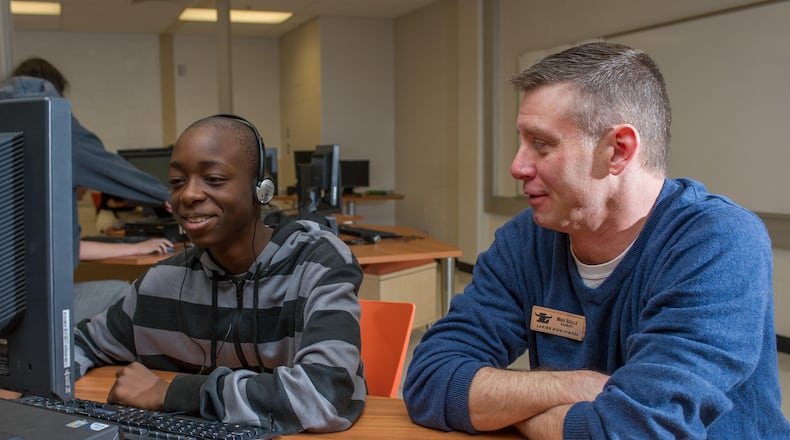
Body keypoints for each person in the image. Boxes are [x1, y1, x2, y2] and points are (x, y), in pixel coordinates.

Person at [403, 42, 790, 439]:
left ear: (618, 151)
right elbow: (430, 381)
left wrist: (510, 409)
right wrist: (574, 386)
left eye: (542, 144)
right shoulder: (527, 239)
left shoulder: (717, 242)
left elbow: (633, 430)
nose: (517, 166)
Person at [73, 115, 365, 435]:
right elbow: (79, 344)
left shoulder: (317, 265)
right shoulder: (161, 283)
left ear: (261, 190)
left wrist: (172, 393)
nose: (189, 195)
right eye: (177, 181)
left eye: (213, 178)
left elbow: (321, 396)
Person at [0, 57, 173, 321]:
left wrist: (137, 247)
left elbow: (66, 247)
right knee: (124, 295)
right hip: (32, 311)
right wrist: (169, 195)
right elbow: (112, 169)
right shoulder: (53, 124)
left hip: (11, 308)